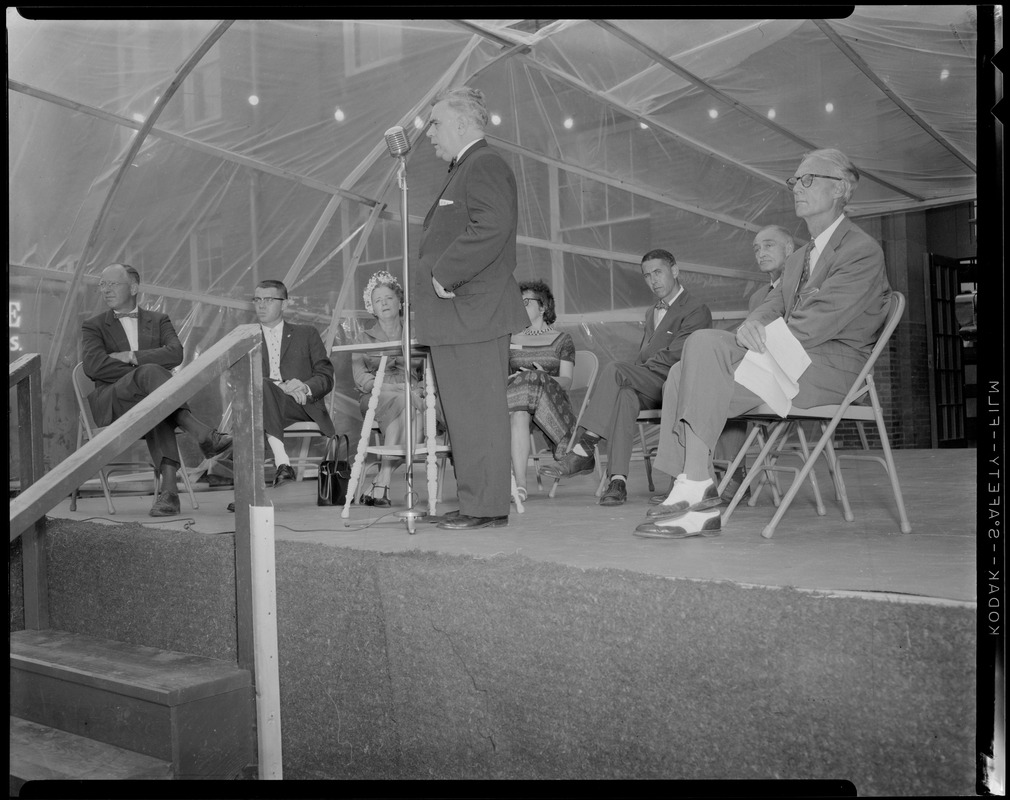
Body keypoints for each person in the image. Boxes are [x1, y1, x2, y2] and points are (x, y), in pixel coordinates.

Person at [635, 148, 892, 539]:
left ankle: (697, 491)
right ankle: (689, 484)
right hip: (785, 359)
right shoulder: (799, 257)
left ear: (840, 188)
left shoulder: (861, 251)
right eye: (794, 181)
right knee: (682, 368)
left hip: (827, 368)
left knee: (703, 351)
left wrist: (756, 338)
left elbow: (813, 326)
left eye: (808, 179)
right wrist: (752, 325)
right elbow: (768, 307)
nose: (796, 188)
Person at [413, 86, 529, 530]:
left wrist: (446, 273)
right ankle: (477, 502)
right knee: (464, 416)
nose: (429, 134)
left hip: (473, 313)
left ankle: (487, 508)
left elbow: (493, 225)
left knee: (478, 414)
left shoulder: (484, 163)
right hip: (461, 317)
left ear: (462, 123)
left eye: (436, 123)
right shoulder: (465, 167)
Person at [541, 249, 712, 506]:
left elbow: (677, 356)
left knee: (617, 370)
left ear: (674, 271)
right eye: (646, 276)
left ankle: (585, 447)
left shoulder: (697, 309)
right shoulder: (651, 312)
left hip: (678, 386)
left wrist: (635, 372)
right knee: (624, 396)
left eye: (658, 272)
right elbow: (645, 357)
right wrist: (636, 374)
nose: (653, 280)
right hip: (651, 385)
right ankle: (617, 481)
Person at [82, 263, 232, 517]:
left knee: (155, 403)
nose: (105, 290)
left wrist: (131, 356)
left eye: (112, 284)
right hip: (113, 402)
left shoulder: (159, 320)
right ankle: (203, 434)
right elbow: (94, 366)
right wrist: (143, 373)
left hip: (150, 402)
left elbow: (176, 353)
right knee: (153, 379)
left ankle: (169, 494)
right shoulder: (93, 325)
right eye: (102, 284)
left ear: (133, 287)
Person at [705, 224, 796, 502]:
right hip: (758, 367)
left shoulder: (801, 286)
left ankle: (731, 475)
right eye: (756, 248)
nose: (760, 252)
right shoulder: (758, 297)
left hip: (789, 370)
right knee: (714, 378)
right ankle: (723, 474)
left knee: (724, 384)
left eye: (769, 245)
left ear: (790, 250)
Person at [352, 270, 427, 508]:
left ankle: (381, 481)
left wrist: (422, 389)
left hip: (411, 392)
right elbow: (359, 377)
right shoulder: (363, 337)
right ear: (371, 308)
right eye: (378, 300)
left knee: (409, 404)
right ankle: (383, 479)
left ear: (400, 302)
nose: (383, 303)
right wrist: (383, 386)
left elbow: (430, 369)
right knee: (410, 407)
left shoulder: (417, 334)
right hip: (376, 394)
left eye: (388, 298)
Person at [507, 280, 577, 503]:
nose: (520, 306)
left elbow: (566, 382)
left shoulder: (562, 340)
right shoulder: (509, 338)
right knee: (519, 412)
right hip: (517, 406)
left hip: (552, 405)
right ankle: (520, 485)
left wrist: (544, 378)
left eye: (526, 302)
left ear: (544, 306)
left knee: (535, 378)